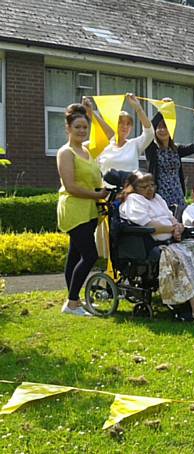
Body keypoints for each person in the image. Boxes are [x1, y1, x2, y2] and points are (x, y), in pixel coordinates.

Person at [119, 171, 194, 326]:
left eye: (152, 185)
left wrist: (178, 227)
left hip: (169, 239)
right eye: (144, 186)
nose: (149, 189)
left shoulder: (158, 198)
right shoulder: (134, 200)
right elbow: (149, 225)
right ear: (134, 187)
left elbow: (171, 217)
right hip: (149, 245)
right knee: (177, 257)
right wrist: (171, 229)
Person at [56, 101, 110, 316]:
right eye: (77, 126)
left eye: (85, 127)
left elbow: (109, 134)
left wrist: (91, 112)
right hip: (74, 208)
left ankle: (73, 302)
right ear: (68, 128)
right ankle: (71, 302)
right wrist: (97, 195)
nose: (81, 130)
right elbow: (71, 186)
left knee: (75, 254)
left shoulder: (87, 149)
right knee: (89, 255)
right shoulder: (66, 152)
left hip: (89, 209)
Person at [145, 101, 194, 209]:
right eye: (159, 127)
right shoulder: (152, 149)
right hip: (159, 197)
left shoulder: (176, 149)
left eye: (166, 127)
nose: (162, 130)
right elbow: (149, 128)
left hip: (177, 194)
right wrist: (163, 109)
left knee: (178, 223)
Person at [97, 94, 153, 174]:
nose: (125, 126)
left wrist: (138, 108)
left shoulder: (134, 144)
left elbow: (149, 133)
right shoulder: (103, 146)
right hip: (106, 186)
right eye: (121, 123)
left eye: (128, 124)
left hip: (130, 186)